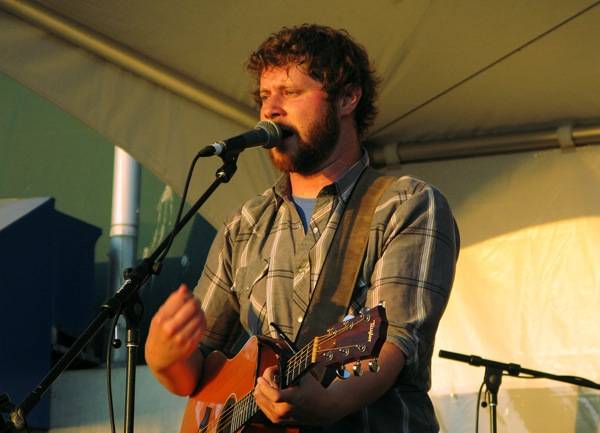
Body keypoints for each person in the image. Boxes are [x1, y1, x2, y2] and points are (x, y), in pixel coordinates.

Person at [145, 24, 459, 432]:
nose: (270, 110)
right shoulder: (244, 225)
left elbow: (395, 341)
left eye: (290, 93)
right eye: (264, 96)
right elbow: (198, 369)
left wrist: (328, 404)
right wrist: (166, 359)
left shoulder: (406, 204)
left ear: (347, 98)